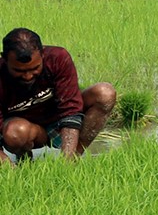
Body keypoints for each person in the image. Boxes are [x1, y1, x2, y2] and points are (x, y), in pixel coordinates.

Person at [1, 28, 115, 164]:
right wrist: (10, 174)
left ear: (43, 54)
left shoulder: (58, 58)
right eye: (19, 70)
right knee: (16, 132)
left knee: (104, 93)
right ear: (4, 59)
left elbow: (70, 110)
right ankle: (24, 160)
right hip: (24, 129)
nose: (28, 76)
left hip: (57, 119)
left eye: (34, 68)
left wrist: (64, 167)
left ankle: (73, 160)